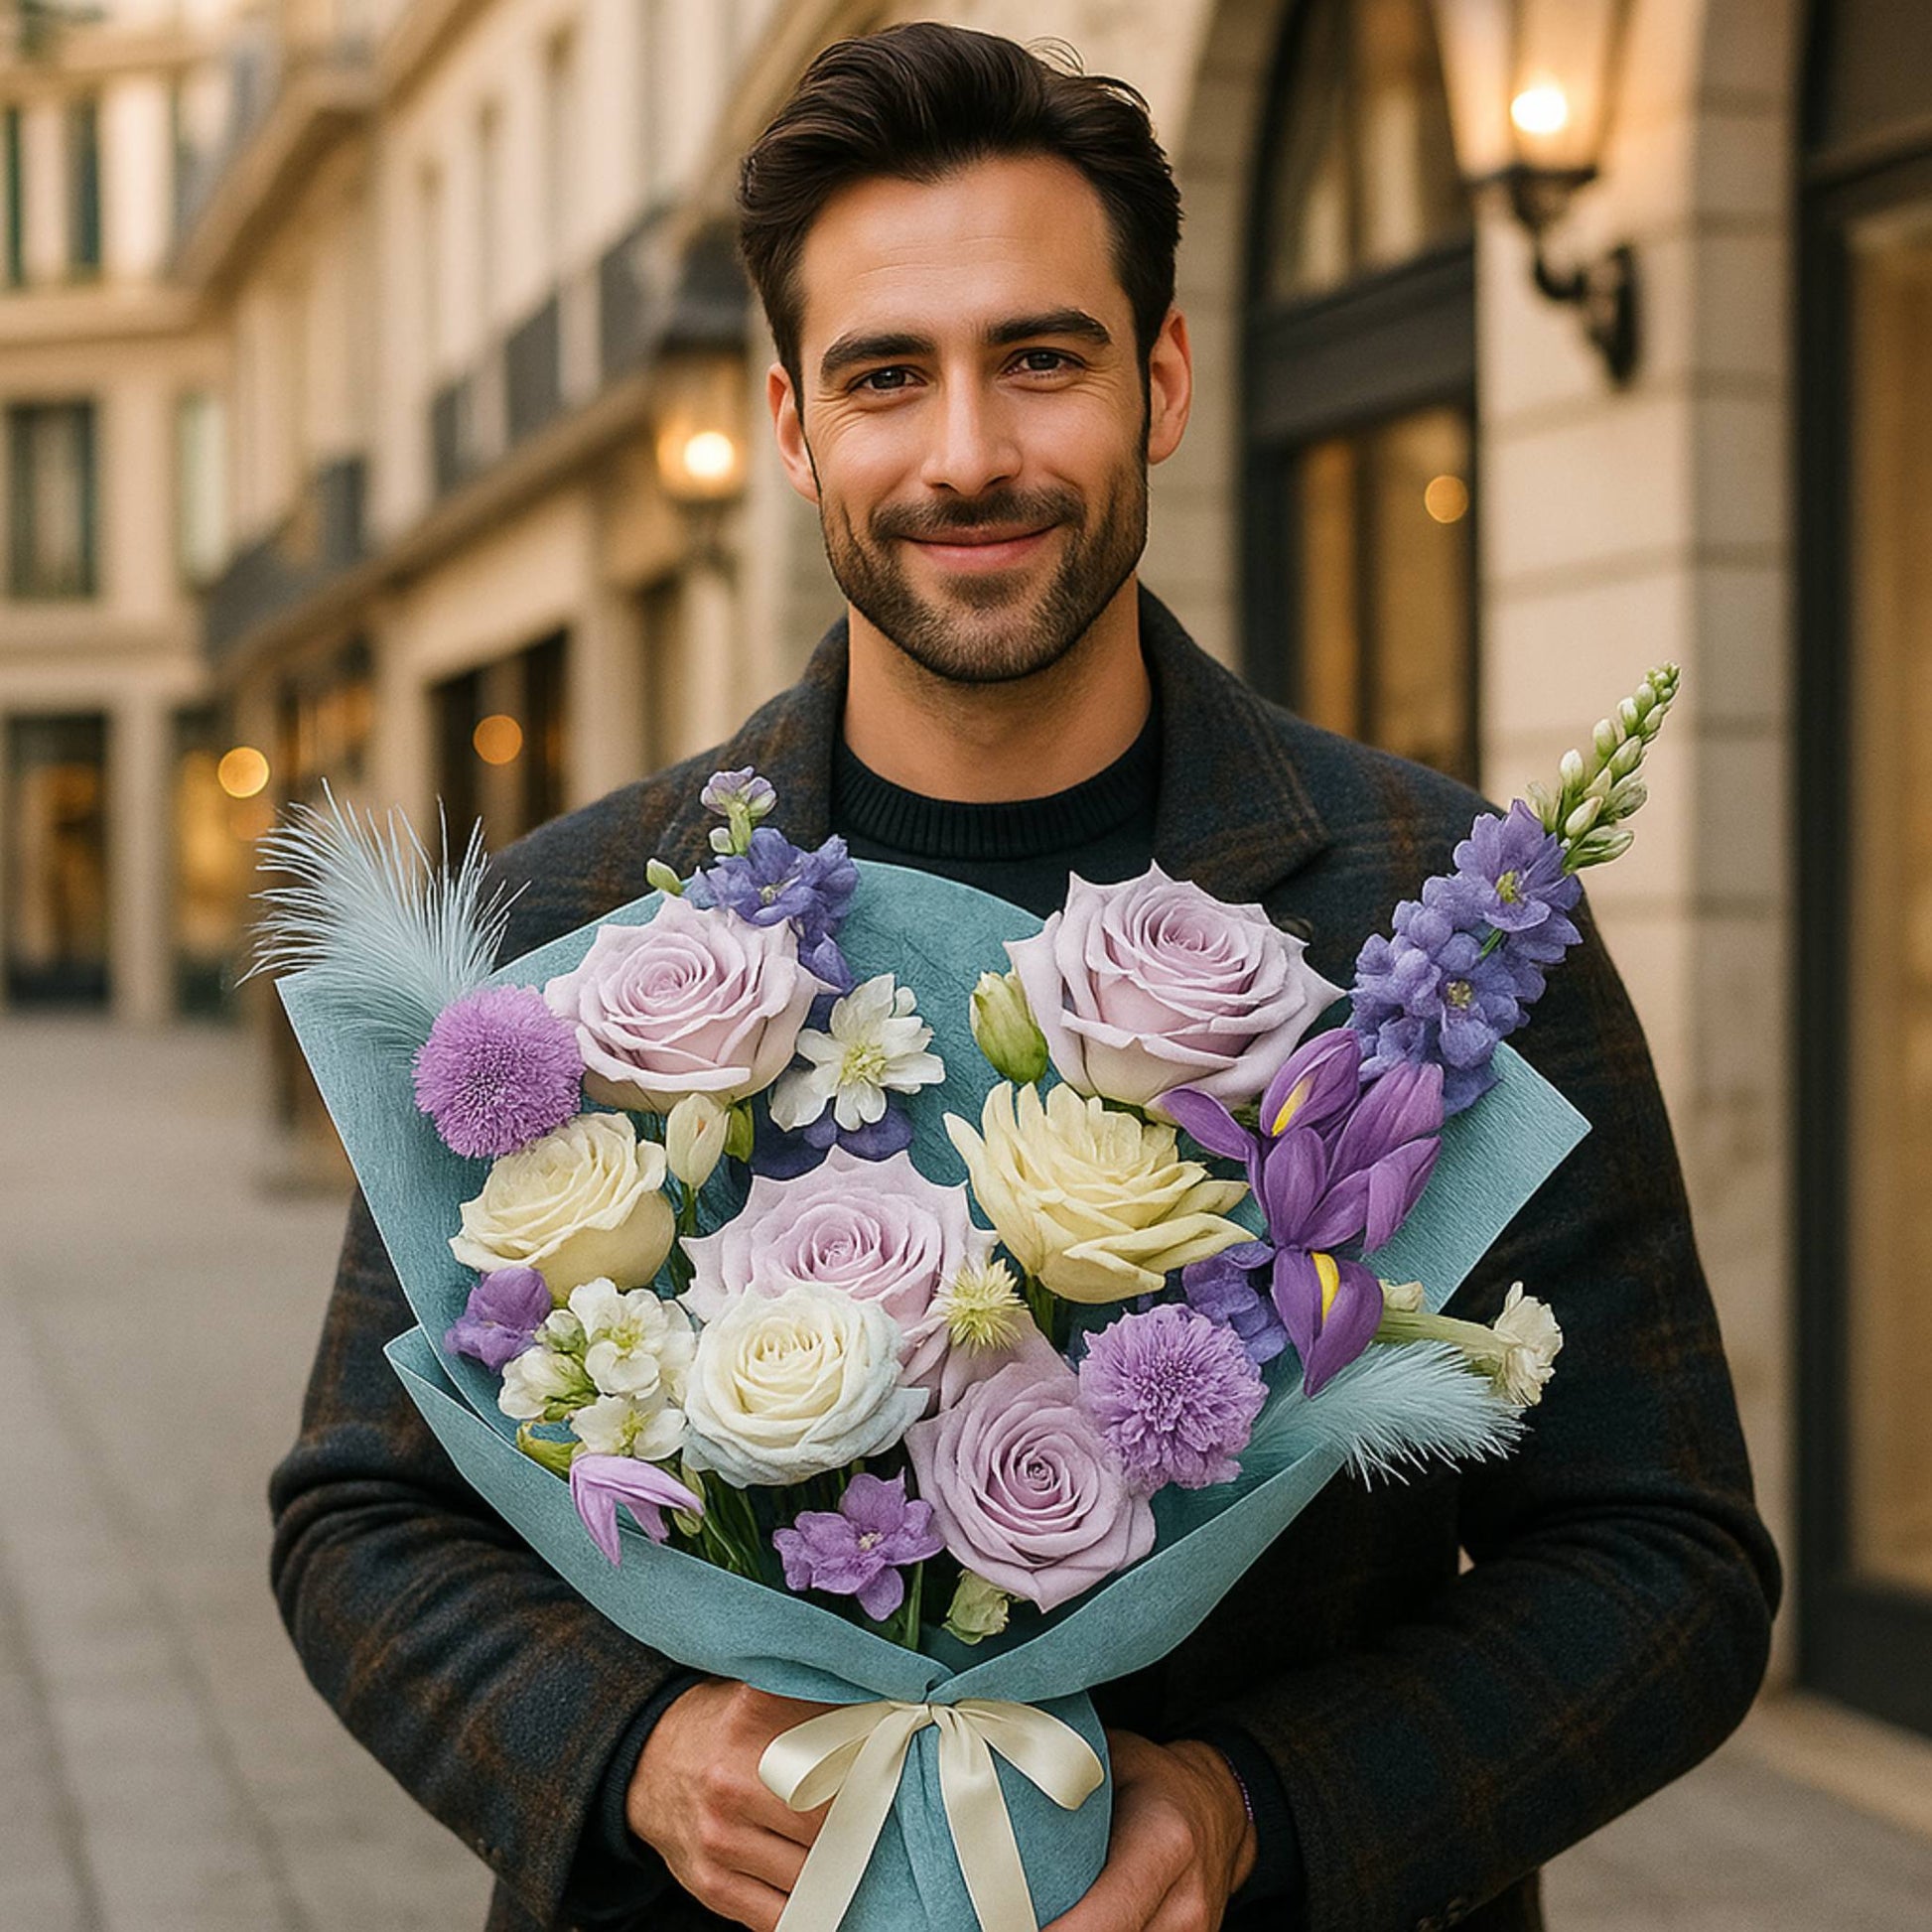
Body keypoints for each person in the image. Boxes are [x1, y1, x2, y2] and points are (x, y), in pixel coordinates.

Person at [270, 23, 1780, 1932]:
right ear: (796, 423)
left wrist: (1259, 1808)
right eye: (886, 376)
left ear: (1157, 380)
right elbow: (357, 1515)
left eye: (1039, 358)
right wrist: (633, 1747)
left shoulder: (1438, 916)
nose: (967, 453)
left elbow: (1666, 1562)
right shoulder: (571, 917)